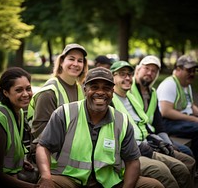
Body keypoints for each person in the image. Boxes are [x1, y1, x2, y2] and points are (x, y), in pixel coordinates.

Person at [35, 67, 164, 188]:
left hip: (109, 182)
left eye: (106, 88)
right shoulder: (65, 113)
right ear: (85, 90)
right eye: (94, 87)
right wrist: (46, 177)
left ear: (112, 92)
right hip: (70, 180)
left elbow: (133, 162)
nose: (100, 92)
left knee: (153, 185)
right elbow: (43, 147)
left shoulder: (122, 121)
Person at [110, 60, 195, 188]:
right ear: (112, 77)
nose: (127, 78)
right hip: (133, 150)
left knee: (187, 163)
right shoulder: (111, 99)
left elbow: (145, 124)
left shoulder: (131, 97)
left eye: (129, 74)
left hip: (149, 142)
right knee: (166, 171)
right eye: (122, 74)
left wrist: (158, 139)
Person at [27, 43, 88, 164]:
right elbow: (40, 132)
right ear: (61, 62)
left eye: (80, 61)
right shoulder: (49, 92)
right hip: (51, 157)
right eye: (71, 59)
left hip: (75, 152)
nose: (76, 64)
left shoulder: (80, 89)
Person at [131, 55, 194, 156]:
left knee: (185, 151)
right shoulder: (128, 89)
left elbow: (158, 124)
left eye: (154, 71)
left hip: (155, 136)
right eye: (146, 68)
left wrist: (167, 142)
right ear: (138, 69)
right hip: (142, 139)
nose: (149, 73)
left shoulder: (153, 93)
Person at [0, 67, 39, 187]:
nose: (26, 94)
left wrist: (20, 162)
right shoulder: (0, 117)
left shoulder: (18, 111)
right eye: (19, 90)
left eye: (28, 88)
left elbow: (10, 150)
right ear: (5, 92)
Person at [157, 54, 198, 166]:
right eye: (189, 70)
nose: (192, 73)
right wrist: (193, 119)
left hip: (182, 121)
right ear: (178, 69)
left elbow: (191, 106)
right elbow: (166, 111)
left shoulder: (186, 85)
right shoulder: (170, 84)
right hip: (168, 123)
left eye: (194, 70)